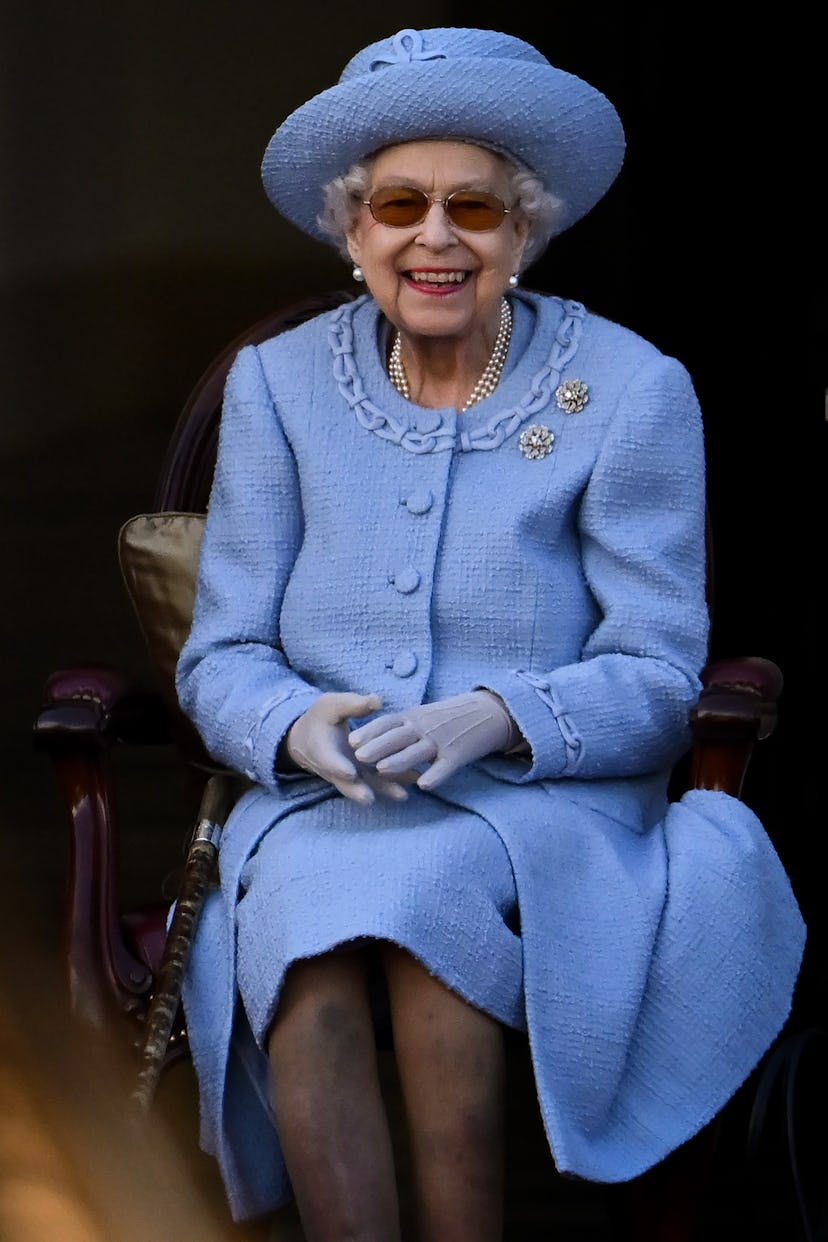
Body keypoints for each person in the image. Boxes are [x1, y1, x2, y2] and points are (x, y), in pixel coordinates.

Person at [175, 26, 806, 1242]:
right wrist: (293, 724)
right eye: (400, 205)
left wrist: (508, 715)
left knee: (430, 923)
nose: (436, 238)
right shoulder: (279, 386)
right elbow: (222, 655)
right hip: (329, 801)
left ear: (524, 232)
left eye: (475, 208)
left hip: (537, 804)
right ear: (351, 231)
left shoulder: (627, 389)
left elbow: (662, 668)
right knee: (301, 950)